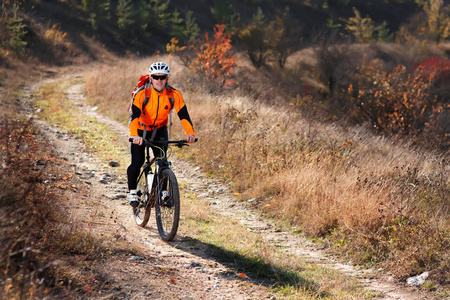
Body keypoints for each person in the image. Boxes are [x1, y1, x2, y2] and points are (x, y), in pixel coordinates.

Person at [127, 62, 196, 207]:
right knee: (137, 162)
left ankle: (163, 192)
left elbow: (184, 116)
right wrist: (135, 136)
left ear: (167, 78)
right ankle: (132, 191)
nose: (159, 80)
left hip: (159, 129)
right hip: (140, 129)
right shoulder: (142, 94)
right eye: (156, 77)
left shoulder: (174, 95)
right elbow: (134, 118)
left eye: (162, 77)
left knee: (163, 162)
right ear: (151, 78)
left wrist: (190, 133)